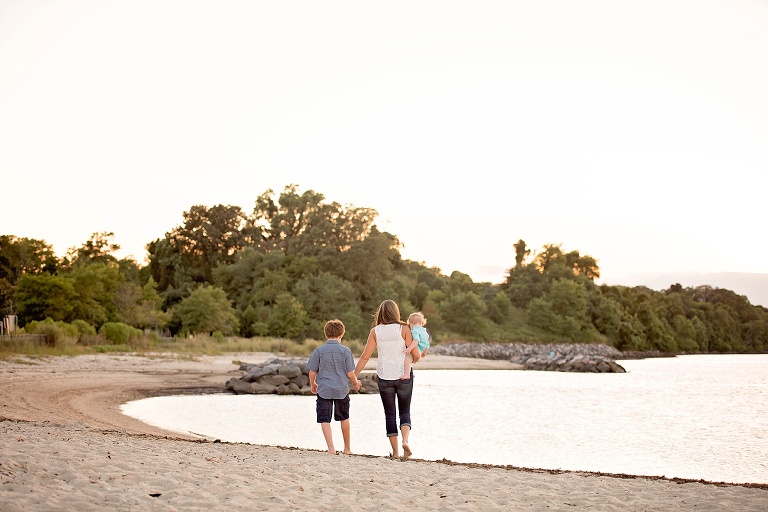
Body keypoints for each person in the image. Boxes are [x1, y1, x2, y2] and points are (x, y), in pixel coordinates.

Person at [354, 299, 421, 459]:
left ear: (380, 314)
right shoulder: (404, 328)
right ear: (396, 313)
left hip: (384, 376)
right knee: (405, 411)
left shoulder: (375, 331)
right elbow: (416, 354)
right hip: (403, 375)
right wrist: (415, 359)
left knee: (390, 414)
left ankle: (396, 452)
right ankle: (405, 440)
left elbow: (365, 357)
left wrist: (354, 376)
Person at [307, 319, 363, 455]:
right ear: (341, 334)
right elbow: (350, 373)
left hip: (324, 389)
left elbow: (312, 371)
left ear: (326, 334)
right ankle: (347, 448)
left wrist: (312, 384)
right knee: (344, 417)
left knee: (324, 418)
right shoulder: (346, 351)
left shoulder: (319, 351)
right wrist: (356, 383)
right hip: (341, 390)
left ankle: (331, 448)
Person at [402, 311, 430, 379]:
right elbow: (427, 344)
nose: (410, 325)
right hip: (420, 351)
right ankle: (410, 373)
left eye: (411, 323)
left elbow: (416, 341)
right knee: (409, 361)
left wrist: (409, 348)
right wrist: (424, 353)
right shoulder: (425, 332)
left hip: (415, 349)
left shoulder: (415, 331)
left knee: (407, 360)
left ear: (412, 323)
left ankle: (407, 374)